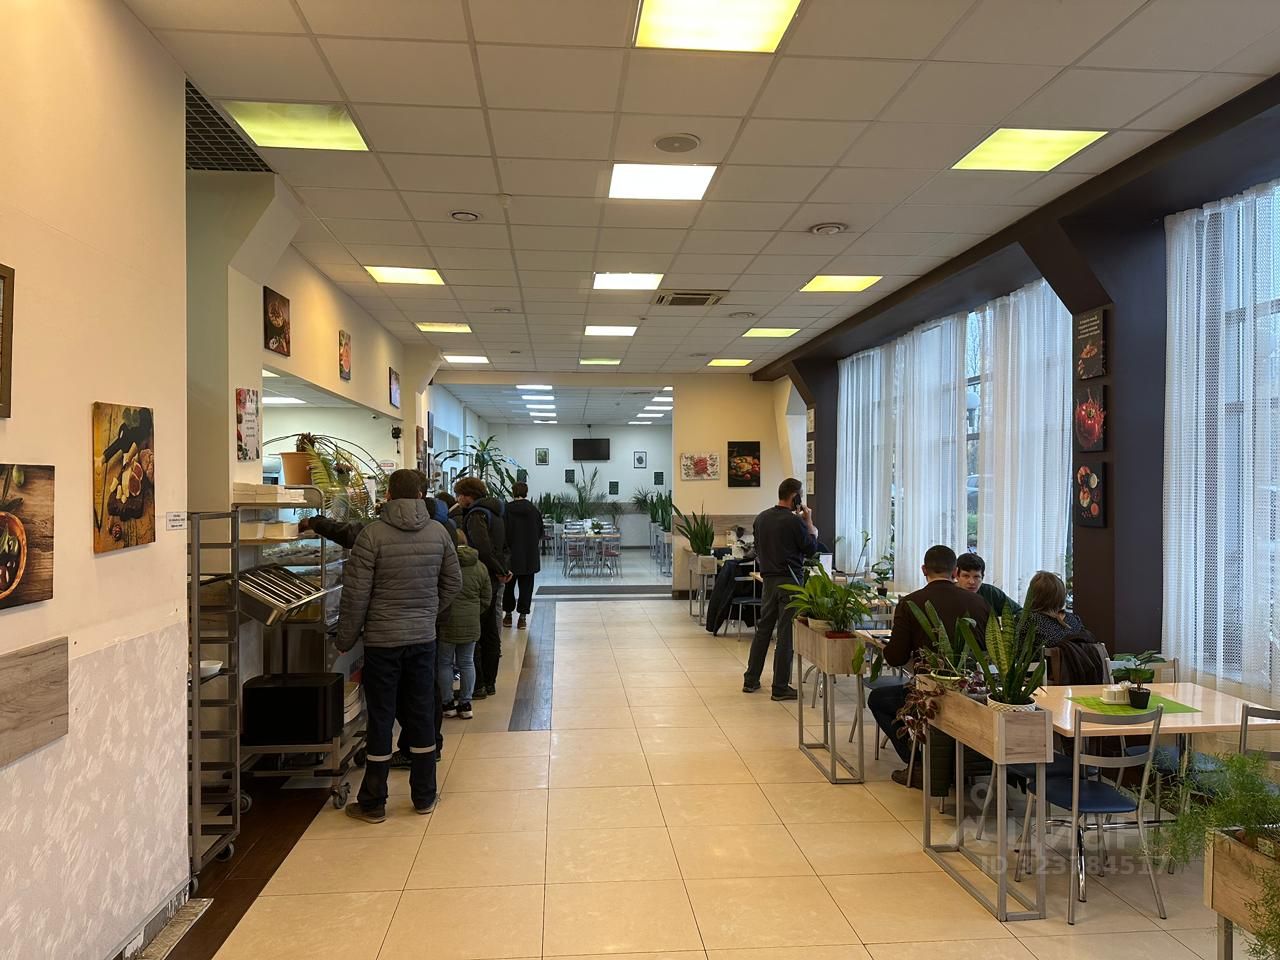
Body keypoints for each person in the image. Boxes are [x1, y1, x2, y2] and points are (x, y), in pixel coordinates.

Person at [335, 469, 461, 822]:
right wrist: (428, 611)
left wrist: (345, 638)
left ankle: (374, 802)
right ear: (421, 495)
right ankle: (424, 795)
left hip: (382, 642)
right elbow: (454, 581)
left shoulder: (371, 535)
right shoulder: (438, 532)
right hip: (423, 640)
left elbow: (356, 595)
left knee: (381, 716)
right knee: (421, 713)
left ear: (388, 495)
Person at [868, 544, 990, 786]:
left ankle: (919, 764)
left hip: (928, 693)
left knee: (878, 700)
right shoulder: (979, 603)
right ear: (955, 572)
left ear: (924, 569)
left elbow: (895, 658)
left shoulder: (911, 603)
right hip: (971, 692)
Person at [742, 477, 818, 701]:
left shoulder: (761, 518)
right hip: (790, 582)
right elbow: (811, 549)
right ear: (795, 497)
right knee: (786, 634)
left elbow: (758, 548)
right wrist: (809, 522)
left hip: (768, 581)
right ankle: (780, 686)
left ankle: (751, 679)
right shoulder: (794, 522)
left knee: (763, 629)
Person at [453, 477, 511, 700]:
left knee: (477, 633)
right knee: (490, 632)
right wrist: (503, 569)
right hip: (494, 576)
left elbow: (482, 549)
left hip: (481, 577)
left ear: (468, 495)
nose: (458, 499)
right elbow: (504, 546)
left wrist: (497, 569)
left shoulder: (476, 515)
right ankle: (490, 682)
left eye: (460, 495)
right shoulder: (496, 511)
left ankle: (477, 685)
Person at [438, 530, 490, 720]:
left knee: (445, 663)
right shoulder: (480, 567)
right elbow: (486, 597)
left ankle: (447, 703)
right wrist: (475, 612)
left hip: (447, 621)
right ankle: (466, 704)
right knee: (467, 662)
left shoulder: (444, 564)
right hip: (471, 621)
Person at [502, 481, 542, 630]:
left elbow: (502, 532)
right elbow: (540, 532)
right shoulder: (533, 510)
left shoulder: (506, 509)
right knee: (526, 588)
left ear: (513, 492)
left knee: (508, 586)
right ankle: (522, 618)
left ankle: (508, 615)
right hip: (529, 556)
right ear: (526, 492)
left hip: (510, 556)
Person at [955, 552, 1021, 617]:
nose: (971, 582)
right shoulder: (950, 594)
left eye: (976, 577)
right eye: (966, 576)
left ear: (982, 577)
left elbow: (1020, 613)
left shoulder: (990, 592)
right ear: (957, 575)